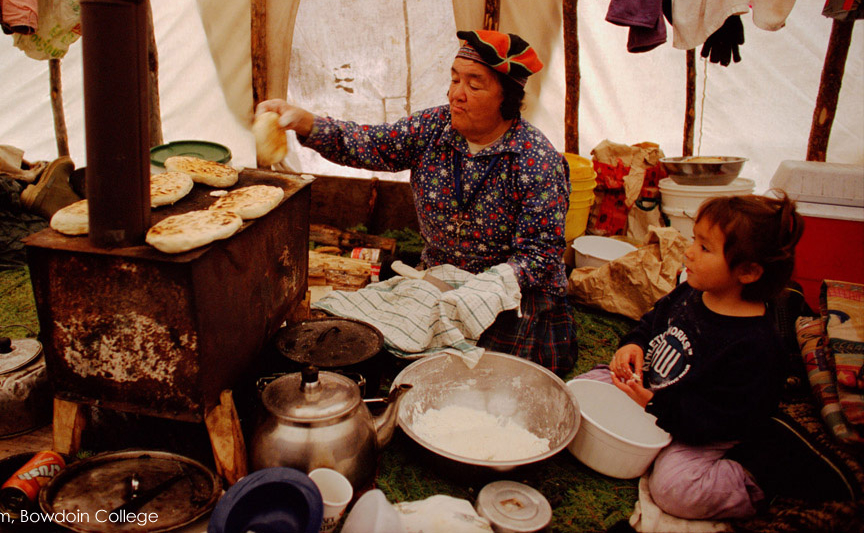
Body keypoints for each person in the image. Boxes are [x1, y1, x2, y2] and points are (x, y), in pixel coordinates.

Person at [257, 29, 576, 375]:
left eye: (474, 84)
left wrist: (491, 286)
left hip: (508, 295)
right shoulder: (433, 128)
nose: (457, 94)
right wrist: (307, 123)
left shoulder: (535, 160)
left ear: (507, 99)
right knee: (367, 342)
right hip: (437, 279)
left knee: (488, 376)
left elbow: (540, 254)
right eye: (454, 80)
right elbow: (372, 144)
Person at [583, 193, 853, 521]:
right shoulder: (693, 291)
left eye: (704, 247)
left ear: (749, 272)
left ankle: (754, 482)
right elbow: (654, 319)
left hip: (697, 429)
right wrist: (635, 345)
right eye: (694, 240)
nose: (688, 252)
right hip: (654, 392)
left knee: (674, 488)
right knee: (585, 388)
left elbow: (719, 420)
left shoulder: (756, 347)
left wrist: (653, 406)